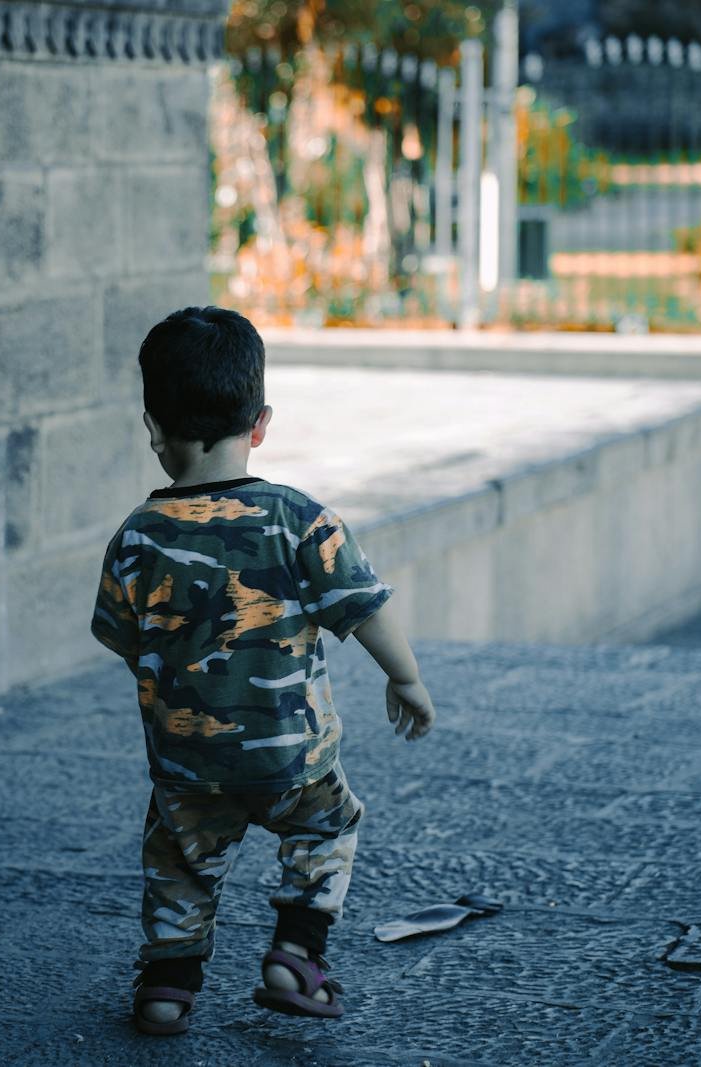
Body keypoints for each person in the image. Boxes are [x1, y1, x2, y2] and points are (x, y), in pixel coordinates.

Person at [91, 306, 437, 1036]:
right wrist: (404, 676)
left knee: (179, 864)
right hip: (293, 758)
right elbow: (364, 607)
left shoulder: (136, 536)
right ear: (262, 421)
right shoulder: (300, 518)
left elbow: (123, 637)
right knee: (330, 825)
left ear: (153, 427)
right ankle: (295, 954)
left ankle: (167, 984)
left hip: (185, 761)